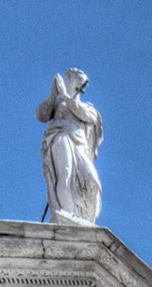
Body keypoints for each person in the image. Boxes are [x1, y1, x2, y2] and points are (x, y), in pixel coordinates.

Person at [37, 69, 103, 226]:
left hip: (80, 147)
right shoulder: (59, 104)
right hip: (61, 138)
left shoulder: (87, 107)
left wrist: (65, 96)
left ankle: (81, 214)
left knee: (92, 180)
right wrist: (53, 95)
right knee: (65, 174)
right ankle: (66, 213)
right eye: (79, 81)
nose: (82, 85)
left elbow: (87, 116)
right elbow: (41, 115)